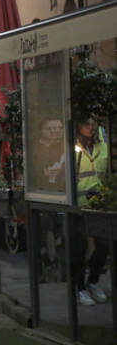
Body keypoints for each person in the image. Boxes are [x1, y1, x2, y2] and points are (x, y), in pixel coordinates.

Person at [73, 118, 108, 306]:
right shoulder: (73, 146)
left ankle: (93, 281)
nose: (90, 127)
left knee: (103, 246)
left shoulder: (102, 145)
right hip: (77, 205)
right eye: (86, 123)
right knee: (79, 248)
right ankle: (79, 288)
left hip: (98, 205)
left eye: (93, 124)